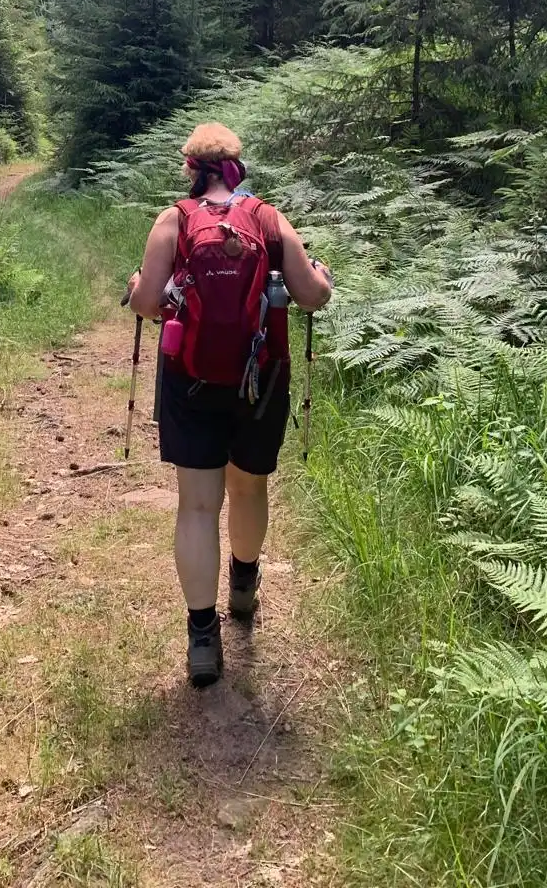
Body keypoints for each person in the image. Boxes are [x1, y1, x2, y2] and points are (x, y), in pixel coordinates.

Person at [127, 122, 332, 688]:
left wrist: (142, 284)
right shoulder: (267, 217)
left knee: (196, 506)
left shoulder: (174, 218)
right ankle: (243, 587)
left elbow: (146, 302)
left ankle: (201, 637)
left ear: (191, 168)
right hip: (259, 380)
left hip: (190, 378)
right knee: (249, 486)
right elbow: (312, 296)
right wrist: (320, 277)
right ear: (237, 166)